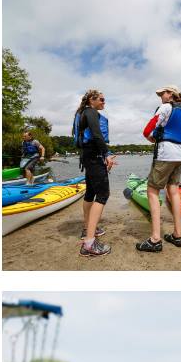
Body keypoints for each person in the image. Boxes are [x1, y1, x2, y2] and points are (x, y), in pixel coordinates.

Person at [138, 86, 181, 252]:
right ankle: (177, 235)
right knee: (173, 191)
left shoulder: (166, 107)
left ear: (171, 95)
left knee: (152, 191)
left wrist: (152, 138)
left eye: (163, 93)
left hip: (165, 154)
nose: (160, 96)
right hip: (180, 154)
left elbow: (147, 130)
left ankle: (155, 239)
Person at [72, 89, 115, 257]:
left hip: (87, 156)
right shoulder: (90, 112)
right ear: (92, 99)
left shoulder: (83, 112)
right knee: (103, 194)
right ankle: (89, 244)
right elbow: (97, 134)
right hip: (94, 156)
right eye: (102, 99)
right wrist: (107, 154)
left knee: (90, 193)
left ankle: (86, 229)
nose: (104, 102)